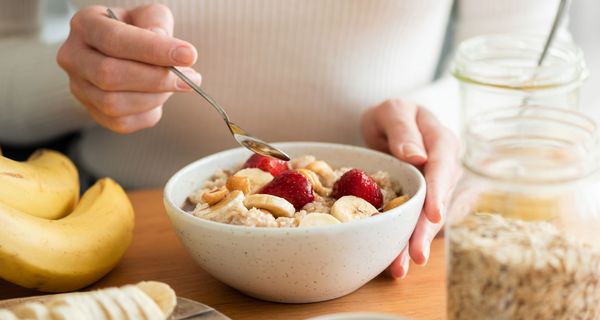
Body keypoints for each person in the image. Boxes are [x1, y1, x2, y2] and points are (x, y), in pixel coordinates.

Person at [0, 0, 567, 279]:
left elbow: (536, 65)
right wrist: (83, 78)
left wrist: (434, 119)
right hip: (135, 233)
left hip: (387, 239)